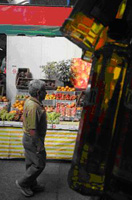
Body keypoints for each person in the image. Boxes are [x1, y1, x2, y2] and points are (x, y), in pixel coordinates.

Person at [16, 79, 47, 197]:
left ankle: (32, 184)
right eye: (44, 90)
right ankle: (22, 183)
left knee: (30, 163)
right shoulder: (33, 106)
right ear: (39, 92)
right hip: (32, 139)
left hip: (28, 138)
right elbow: (32, 129)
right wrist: (39, 145)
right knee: (39, 163)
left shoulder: (30, 101)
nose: (46, 93)